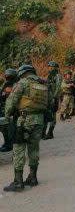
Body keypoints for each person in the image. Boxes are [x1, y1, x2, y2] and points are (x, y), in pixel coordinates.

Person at [3, 64, 49, 192]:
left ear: (22, 73)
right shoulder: (43, 83)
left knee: (18, 149)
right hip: (39, 120)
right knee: (34, 148)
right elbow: (48, 102)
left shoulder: (22, 83)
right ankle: (33, 178)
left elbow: (11, 102)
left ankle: (18, 182)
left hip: (24, 120)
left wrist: (7, 116)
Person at [42, 61, 62, 140]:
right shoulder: (50, 76)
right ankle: (43, 132)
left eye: (51, 67)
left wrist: (54, 97)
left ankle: (50, 132)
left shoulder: (57, 76)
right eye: (49, 67)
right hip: (48, 98)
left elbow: (58, 87)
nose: (49, 68)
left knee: (52, 115)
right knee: (46, 114)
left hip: (53, 98)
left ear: (55, 68)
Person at [0, 68, 18, 152]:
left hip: (14, 110)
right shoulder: (5, 85)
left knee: (10, 127)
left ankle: (10, 144)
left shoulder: (17, 85)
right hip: (6, 109)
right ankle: (8, 143)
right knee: (5, 127)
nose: (7, 77)